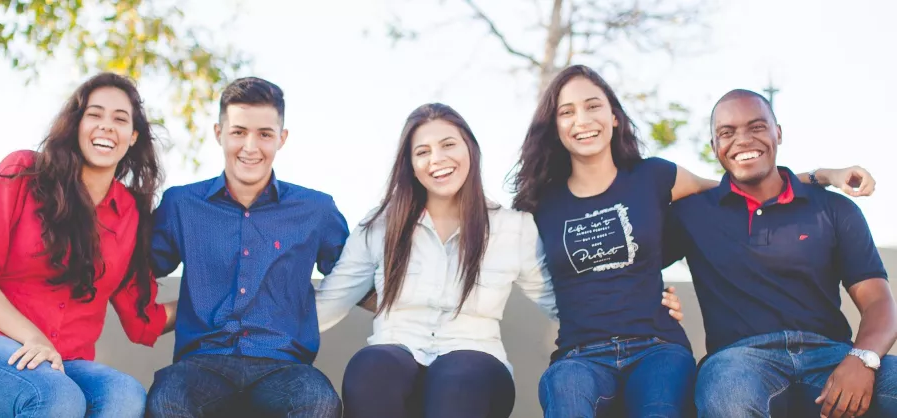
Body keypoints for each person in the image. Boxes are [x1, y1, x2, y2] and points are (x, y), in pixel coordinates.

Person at [510, 65, 875, 417]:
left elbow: (743, 183)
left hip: (656, 347)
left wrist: (823, 174)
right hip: (581, 353)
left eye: (593, 106)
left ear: (614, 116)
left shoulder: (655, 175)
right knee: (565, 387)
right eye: (567, 111)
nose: (583, 120)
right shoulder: (541, 203)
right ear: (554, 125)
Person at [313, 103, 685, 418]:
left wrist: (643, 301)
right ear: (410, 164)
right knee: (372, 367)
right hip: (395, 348)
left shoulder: (513, 228)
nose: (437, 159)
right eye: (422, 151)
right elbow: (329, 303)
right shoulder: (379, 227)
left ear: (470, 150)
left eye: (448, 145)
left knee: (457, 377)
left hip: (475, 358)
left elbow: (566, 302)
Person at [664, 89, 896, 418]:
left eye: (756, 127)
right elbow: (627, 265)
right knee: (729, 398)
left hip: (831, 356)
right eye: (726, 133)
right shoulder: (692, 214)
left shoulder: (833, 209)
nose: (742, 140)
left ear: (778, 133)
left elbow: (878, 301)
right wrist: (658, 296)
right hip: (739, 360)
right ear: (715, 146)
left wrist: (863, 359)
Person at [0, 72, 176, 418]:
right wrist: (33, 337)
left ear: (132, 137)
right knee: (58, 398)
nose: (106, 126)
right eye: (95, 114)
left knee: (125, 396)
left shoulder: (130, 214)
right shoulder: (24, 172)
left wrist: (211, 299)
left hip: (65, 363)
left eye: (119, 119)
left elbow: (142, 320)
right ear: (76, 125)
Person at [144, 77, 346, 418]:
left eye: (265, 134)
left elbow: (357, 275)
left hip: (283, 367)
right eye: (238, 132)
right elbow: (135, 267)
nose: (250, 146)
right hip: (201, 365)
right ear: (218, 132)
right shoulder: (181, 204)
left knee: (319, 401)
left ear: (281, 139)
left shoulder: (316, 210)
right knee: (166, 399)